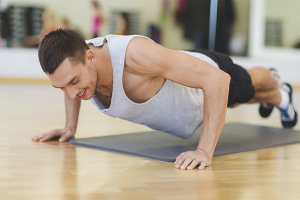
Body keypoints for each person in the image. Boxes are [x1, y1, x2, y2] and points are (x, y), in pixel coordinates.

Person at [32, 28, 298, 170]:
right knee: (237, 100)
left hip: (210, 74)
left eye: (74, 82)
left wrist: (204, 151)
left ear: (91, 57)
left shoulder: (133, 56)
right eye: (61, 88)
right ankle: (277, 97)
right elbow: (70, 85)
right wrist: (70, 127)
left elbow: (217, 81)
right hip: (191, 106)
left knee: (248, 85)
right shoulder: (78, 61)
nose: (71, 92)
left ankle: (275, 85)